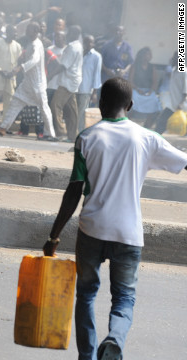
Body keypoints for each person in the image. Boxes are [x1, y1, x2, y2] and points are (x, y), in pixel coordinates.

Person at [43, 77, 187, 360]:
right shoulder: (146, 138)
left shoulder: (86, 138)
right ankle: (114, 340)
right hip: (128, 233)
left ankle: (87, 356)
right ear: (130, 105)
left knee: (86, 294)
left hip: (92, 229)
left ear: (99, 103)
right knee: (124, 297)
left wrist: (54, 236)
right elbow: (182, 160)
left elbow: (73, 192)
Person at [0, 22, 56, 140]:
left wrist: (20, 67)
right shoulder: (30, 44)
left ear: (35, 32)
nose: (26, 31)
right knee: (16, 101)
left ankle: (50, 134)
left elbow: (35, 60)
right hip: (28, 82)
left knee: (44, 107)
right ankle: (3, 127)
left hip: (37, 83)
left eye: (29, 29)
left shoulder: (36, 44)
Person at [49, 25, 84, 141]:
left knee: (55, 105)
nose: (67, 35)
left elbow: (63, 66)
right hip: (73, 81)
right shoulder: (79, 46)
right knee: (72, 110)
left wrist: (50, 75)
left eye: (69, 32)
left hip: (67, 82)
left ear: (74, 34)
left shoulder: (72, 48)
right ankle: (74, 135)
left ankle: (60, 132)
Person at [0, 24, 22, 131]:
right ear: (7, 32)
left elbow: (19, 62)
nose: (15, 34)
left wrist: (13, 73)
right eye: (13, 32)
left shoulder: (17, 46)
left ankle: (5, 126)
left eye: (16, 32)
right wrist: (1, 71)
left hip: (10, 77)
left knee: (8, 103)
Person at [150, 51, 187, 134]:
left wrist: (181, 103)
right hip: (172, 105)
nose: (172, 59)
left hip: (181, 106)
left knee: (162, 123)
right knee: (161, 123)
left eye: (175, 58)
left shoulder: (184, 72)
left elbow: (186, 90)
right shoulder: (174, 70)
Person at [128, 47, 162, 126]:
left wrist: (151, 91)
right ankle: (127, 122)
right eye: (147, 54)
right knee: (132, 101)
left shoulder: (152, 67)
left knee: (155, 101)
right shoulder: (135, 66)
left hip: (148, 91)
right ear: (141, 55)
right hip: (136, 90)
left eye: (150, 54)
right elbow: (130, 81)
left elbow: (155, 82)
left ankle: (148, 126)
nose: (148, 56)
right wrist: (137, 89)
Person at [76, 35, 102, 131]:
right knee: (74, 112)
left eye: (91, 42)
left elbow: (97, 75)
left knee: (82, 112)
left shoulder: (96, 56)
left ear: (93, 43)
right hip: (74, 88)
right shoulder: (79, 53)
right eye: (86, 42)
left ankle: (79, 132)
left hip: (86, 89)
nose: (88, 44)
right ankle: (73, 131)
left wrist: (94, 92)